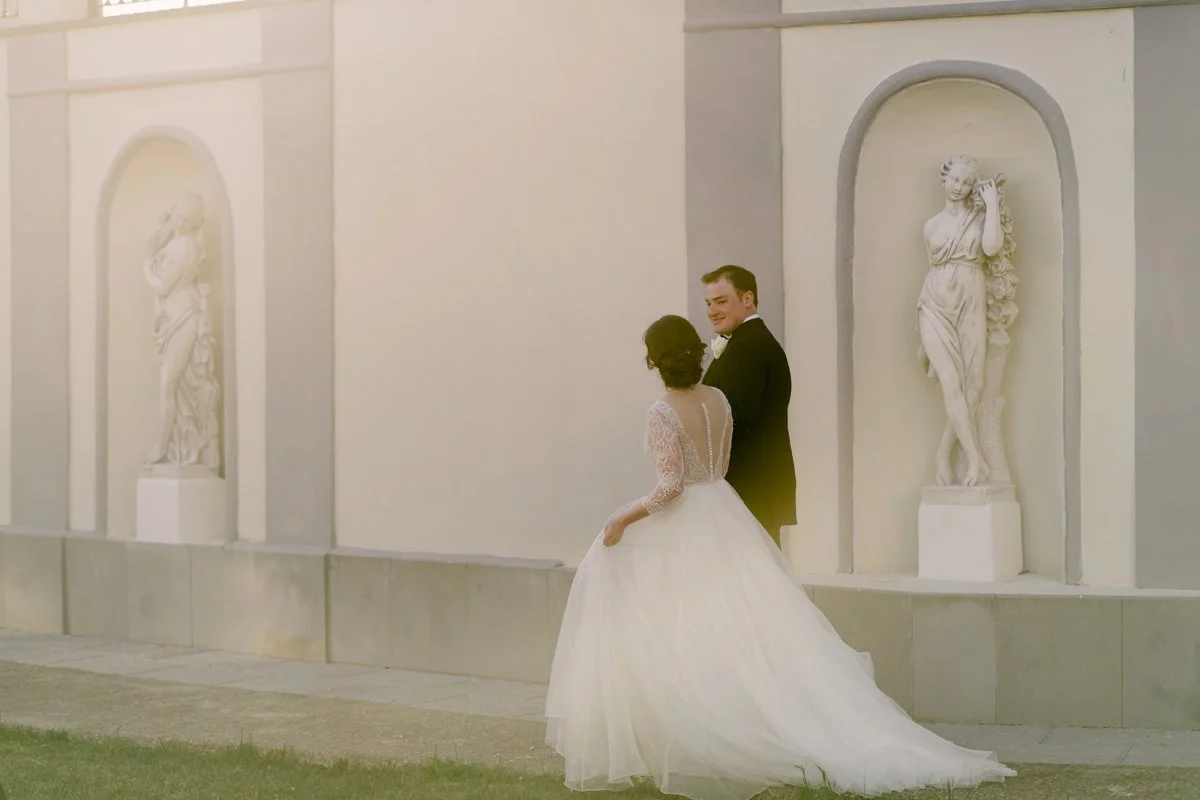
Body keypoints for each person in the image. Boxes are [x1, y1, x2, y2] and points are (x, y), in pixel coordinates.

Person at [545, 314, 1014, 800]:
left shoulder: (662, 411)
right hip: (725, 512)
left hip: (688, 519)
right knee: (744, 627)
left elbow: (670, 486)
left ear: (655, 360)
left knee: (666, 611)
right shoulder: (719, 401)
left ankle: (694, 729)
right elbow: (718, 468)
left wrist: (622, 517)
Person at [700, 265, 795, 546]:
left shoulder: (749, 348)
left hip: (749, 487)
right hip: (757, 487)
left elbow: (736, 421)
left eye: (720, 301)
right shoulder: (747, 342)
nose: (712, 310)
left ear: (747, 299)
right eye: (708, 303)